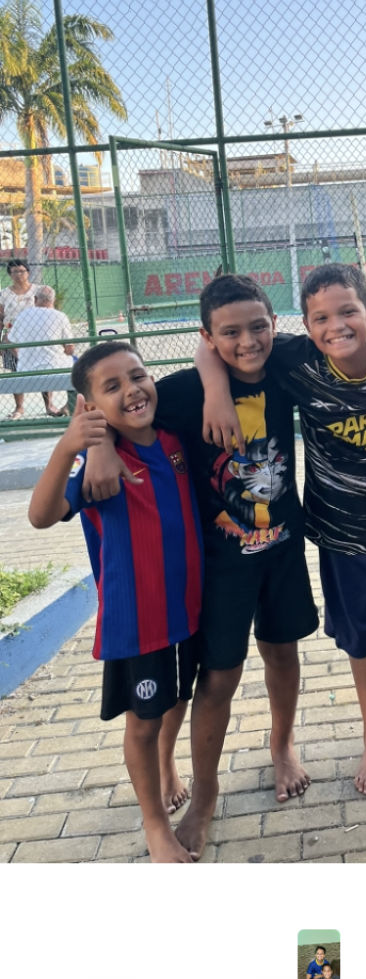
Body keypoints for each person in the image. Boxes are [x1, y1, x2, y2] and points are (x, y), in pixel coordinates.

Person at [197, 261, 366, 798]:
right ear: (304, 324)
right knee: (361, 637)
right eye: (320, 318)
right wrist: (214, 391)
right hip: (342, 534)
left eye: (348, 312)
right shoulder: (294, 358)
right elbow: (213, 345)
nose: (336, 326)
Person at [82, 276, 319, 858]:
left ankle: (282, 745)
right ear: (207, 338)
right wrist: (98, 447)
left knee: (282, 652)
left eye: (258, 326)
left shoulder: (286, 363)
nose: (248, 341)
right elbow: (112, 408)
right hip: (217, 567)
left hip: (282, 548)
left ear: (274, 323)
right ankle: (200, 790)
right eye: (229, 333)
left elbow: (360, 334)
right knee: (214, 680)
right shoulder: (184, 393)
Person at [27, 343, 203, 863]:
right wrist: (70, 446)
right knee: (143, 722)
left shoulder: (173, 438)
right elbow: (40, 516)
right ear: (89, 407)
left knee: (177, 698)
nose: (132, 390)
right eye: (112, 386)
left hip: (189, 609)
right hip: (138, 621)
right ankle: (154, 826)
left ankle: (168, 766)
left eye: (138, 376)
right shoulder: (94, 464)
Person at [11, 285, 74, 416]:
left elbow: (10, 341)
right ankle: (68, 407)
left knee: (42, 359)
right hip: (55, 368)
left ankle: (20, 408)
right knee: (83, 368)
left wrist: (20, 356)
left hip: (26, 369)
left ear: (35, 299)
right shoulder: (60, 316)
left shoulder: (23, 315)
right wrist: (64, 351)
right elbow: (70, 348)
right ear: (53, 300)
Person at [0, 259, 37, 419]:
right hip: (11, 337)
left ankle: (49, 405)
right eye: (14, 272)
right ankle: (19, 407)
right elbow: (1, 317)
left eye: (21, 271)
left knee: (43, 369)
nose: (18, 275)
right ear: (9, 274)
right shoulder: (4, 294)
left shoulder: (37, 290)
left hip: (35, 335)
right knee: (15, 371)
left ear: (28, 272)